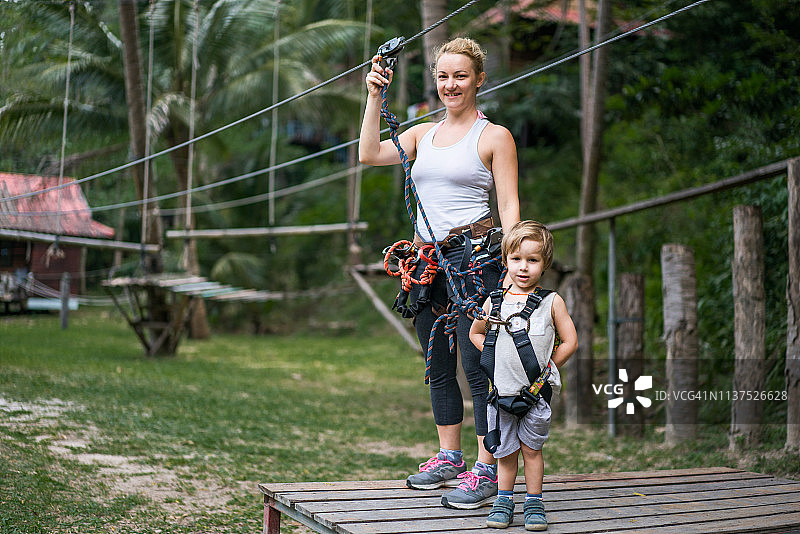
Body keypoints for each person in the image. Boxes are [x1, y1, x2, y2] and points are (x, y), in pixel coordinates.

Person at [359, 36, 520, 509]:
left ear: (479, 79)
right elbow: (368, 153)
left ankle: (486, 467)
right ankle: (450, 456)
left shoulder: (494, 137)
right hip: (427, 264)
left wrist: (513, 269)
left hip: (475, 261)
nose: (451, 85)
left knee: (477, 364)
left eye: (461, 76)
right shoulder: (419, 135)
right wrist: (374, 95)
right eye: (444, 76)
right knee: (438, 365)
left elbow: (509, 205)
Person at [469, 221, 577, 530]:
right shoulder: (494, 301)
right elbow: (477, 332)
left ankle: (534, 502)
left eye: (532, 260)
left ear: (545, 263)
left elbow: (570, 341)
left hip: (534, 395)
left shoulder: (551, 302)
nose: (524, 267)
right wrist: (492, 356)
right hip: (500, 394)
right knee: (505, 453)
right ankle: (504, 500)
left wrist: (548, 368)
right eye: (516, 259)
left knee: (531, 450)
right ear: (505, 261)